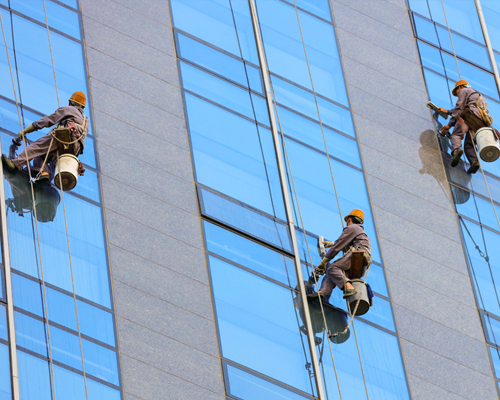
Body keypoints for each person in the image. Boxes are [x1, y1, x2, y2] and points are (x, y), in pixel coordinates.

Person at [2, 91, 89, 183]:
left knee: (37, 147)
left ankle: (15, 164)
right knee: (42, 155)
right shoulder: (86, 120)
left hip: (65, 137)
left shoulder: (69, 109)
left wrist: (26, 130)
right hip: (75, 150)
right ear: (82, 107)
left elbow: (48, 120)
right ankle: (44, 173)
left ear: (70, 102)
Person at [309, 209, 371, 302]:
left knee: (332, 268)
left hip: (357, 255)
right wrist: (331, 244)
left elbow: (339, 244)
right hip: (361, 266)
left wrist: (323, 262)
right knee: (331, 274)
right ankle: (322, 292)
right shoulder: (360, 232)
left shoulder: (352, 227)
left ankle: (348, 287)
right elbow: (346, 245)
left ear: (349, 220)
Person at [437, 80, 491, 174]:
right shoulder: (479, 97)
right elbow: (463, 108)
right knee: (470, 145)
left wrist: (449, 125)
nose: (457, 94)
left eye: (456, 92)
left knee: (456, 135)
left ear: (461, 87)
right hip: (479, 123)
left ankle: (456, 150)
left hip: (469, 116)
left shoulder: (464, 90)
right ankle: (474, 162)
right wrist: (446, 111)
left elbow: (459, 108)